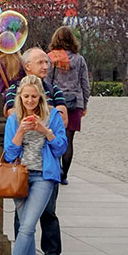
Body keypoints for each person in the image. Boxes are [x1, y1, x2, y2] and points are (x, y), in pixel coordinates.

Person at [0, 75, 69, 255]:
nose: (30, 101)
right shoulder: (14, 119)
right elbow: (9, 154)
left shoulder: (52, 116)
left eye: (34, 97)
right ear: (20, 96)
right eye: (26, 96)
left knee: (27, 226)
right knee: (25, 228)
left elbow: (61, 148)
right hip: (20, 176)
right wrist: (20, 132)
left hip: (43, 176)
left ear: (41, 97)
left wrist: (44, 131)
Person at [47, 26, 91, 175]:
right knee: (68, 139)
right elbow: (85, 84)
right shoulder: (79, 60)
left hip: (55, 102)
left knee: (52, 135)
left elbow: (48, 81)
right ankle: (64, 173)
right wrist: (84, 104)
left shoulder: (51, 58)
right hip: (74, 102)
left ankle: (55, 169)